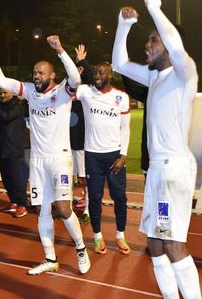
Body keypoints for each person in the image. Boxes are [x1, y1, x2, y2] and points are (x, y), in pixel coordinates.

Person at [112, 0, 201, 299]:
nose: (147, 45)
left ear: (166, 42)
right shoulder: (154, 78)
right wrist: (123, 25)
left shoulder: (184, 72)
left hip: (175, 169)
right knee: (155, 243)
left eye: (153, 40)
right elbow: (119, 63)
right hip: (157, 172)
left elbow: (176, 47)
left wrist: (154, 9)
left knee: (173, 244)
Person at [0, 34, 91, 276]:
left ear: (52, 75)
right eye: (34, 72)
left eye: (41, 73)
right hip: (38, 161)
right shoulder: (29, 91)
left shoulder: (64, 91)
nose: (36, 76)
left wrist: (61, 50)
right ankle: (50, 257)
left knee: (64, 209)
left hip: (60, 159)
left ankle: (81, 249)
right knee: (41, 210)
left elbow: (75, 76)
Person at [76, 61, 131, 256]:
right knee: (96, 198)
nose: (97, 75)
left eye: (101, 72)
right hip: (92, 156)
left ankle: (120, 235)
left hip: (115, 156)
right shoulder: (85, 92)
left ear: (110, 76)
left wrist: (123, 154)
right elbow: (71, 83)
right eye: (95, 72)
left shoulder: (121, 98)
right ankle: (98, 237)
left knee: (120, 198)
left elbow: (125, 128)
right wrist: (77, 64)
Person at [0, 89, 29, 218]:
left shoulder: (18, 106)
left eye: (5, 93)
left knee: (16, 177)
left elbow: (6, 116)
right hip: (2, 146)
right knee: (6, 177)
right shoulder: (1, 105)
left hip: (14, 146)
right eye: (1, 93)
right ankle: (13, 201)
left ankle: (22, 204)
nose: (2, 95)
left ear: (13, 93)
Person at [70, 44, 92, 224]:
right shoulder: (66, 91)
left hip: (83, 142)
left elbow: (91, 75)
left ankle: (88, 210)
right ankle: (67, 208)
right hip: (66, 143)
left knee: (85, 178)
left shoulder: (89, 91)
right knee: (66, 177)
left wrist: (81, 61)